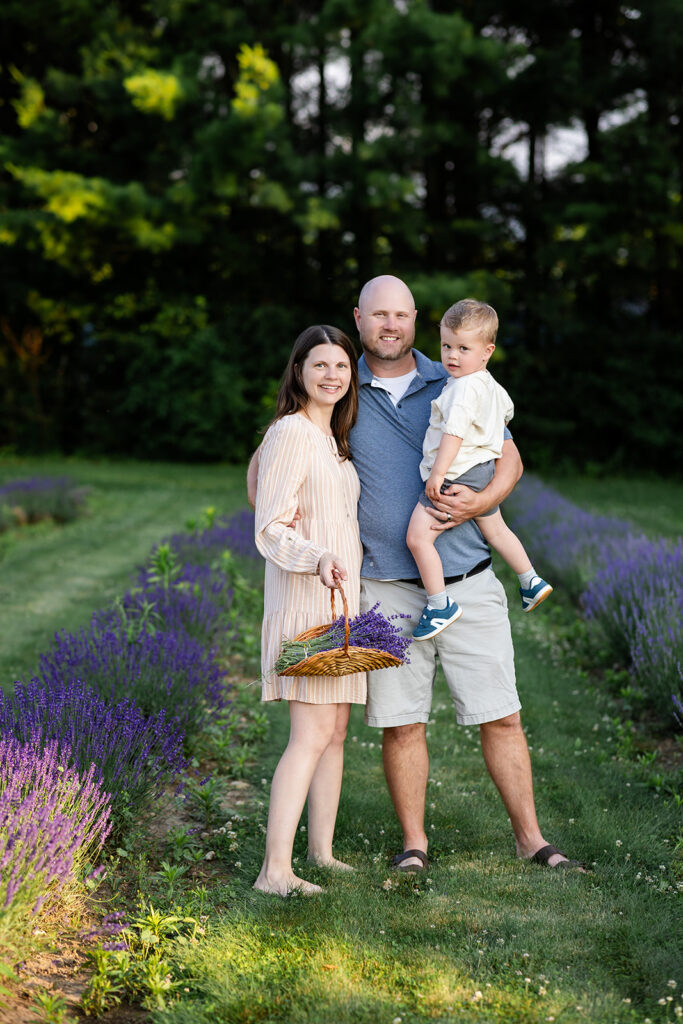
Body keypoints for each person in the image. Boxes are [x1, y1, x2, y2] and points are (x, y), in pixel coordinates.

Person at [249, 276, 583, 873]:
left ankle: (531, 839)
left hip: (469, 578)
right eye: (379, 315)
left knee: (502, 714)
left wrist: (482, 504)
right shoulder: (344, 389)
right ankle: (414, 845)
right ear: (359, 318)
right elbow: (275, 458)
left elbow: (509, 457)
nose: (390, 325)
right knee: (402, 723)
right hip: (383, 588)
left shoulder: (453, 376)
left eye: (401, 315)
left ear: (415, 321)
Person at [252, 324, 366, 896]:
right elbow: (268, 526)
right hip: (305, 602)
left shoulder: (332, 440)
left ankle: (319, 853)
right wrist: (316, 556)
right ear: (298, 372)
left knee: (335, 730)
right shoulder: (292, 432)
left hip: (340, 606)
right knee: (311, 732)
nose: (331, 375)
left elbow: (267, 489)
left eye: (341, 366)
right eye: (319, 365)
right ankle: (275, 871)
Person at [406, 298, 552, 641]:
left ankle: (439, 604)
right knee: (496, 530)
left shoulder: (461, 387)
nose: (452, 356)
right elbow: (504, 416)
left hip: (456, 474)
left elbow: (454, 433)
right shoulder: (489, 384)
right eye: (446, 345)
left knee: (417, 538)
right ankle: (530, 579)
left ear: (487, 351)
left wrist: (438, 474)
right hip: (482, 472)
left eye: (463, 348)